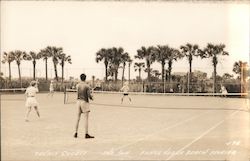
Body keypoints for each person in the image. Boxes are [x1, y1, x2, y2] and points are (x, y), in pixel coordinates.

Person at [74, 73, 94, 139]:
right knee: (86, 119)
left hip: (78, 102)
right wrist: (92, 97)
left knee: (77, 118)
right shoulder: (87, 86)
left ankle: (75, 133)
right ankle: (86, 134)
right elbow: (89, 95)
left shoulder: (77, 85)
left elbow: (77, 93)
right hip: (84, 102)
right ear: (85, 78)